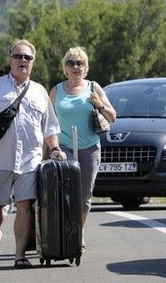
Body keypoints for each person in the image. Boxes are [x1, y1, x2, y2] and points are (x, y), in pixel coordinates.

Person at [0, 39, 65, 269]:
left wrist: (54, 149)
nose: (23, 61)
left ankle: (19, 255)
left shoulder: (40, 92)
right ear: (10, 59)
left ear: (33, 62)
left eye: (27, 58)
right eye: (18, 56)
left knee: (25, 204)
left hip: (30, 160)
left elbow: (50, 128)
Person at [49, 46, 116, 251]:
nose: (75, 66)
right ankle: (62, 233)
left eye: (80, 63)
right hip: (64, 146)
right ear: (65, 68)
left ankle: (77, 232)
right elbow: (48, 122)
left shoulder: (93, 87)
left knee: (85, 197)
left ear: (85, 67)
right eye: (71, 63)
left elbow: (113, 116)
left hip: (89, 148)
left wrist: (98, 104)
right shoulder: (56, 90)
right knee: (65, 194)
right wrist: (50, 148)